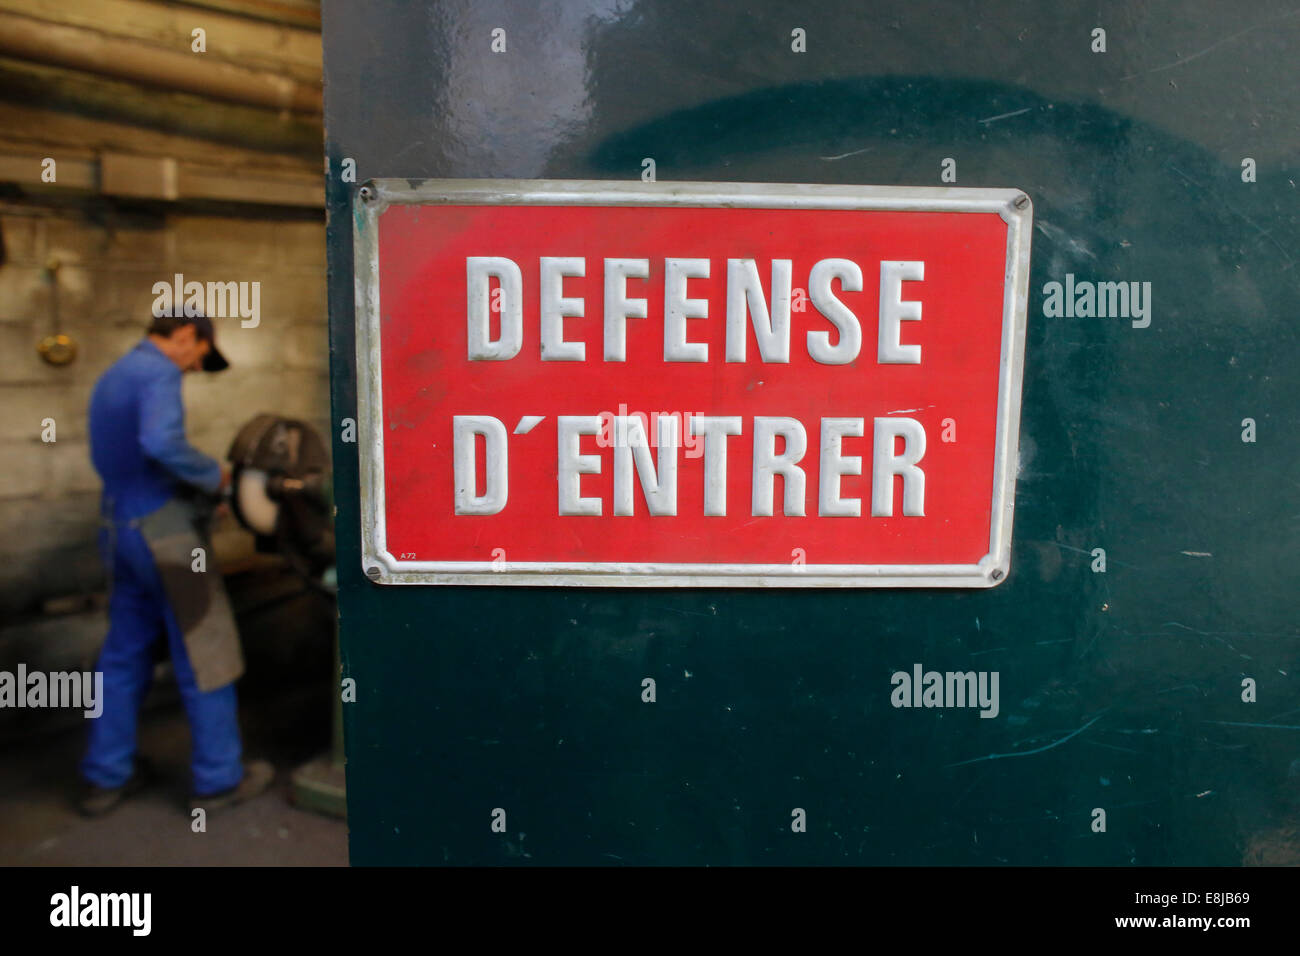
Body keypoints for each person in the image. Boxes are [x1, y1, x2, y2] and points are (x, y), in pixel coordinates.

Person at [79, 312, 272, 816]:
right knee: (204, 652)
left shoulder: (115, 374)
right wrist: (219, 479)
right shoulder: (158, 372)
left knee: (122, 656)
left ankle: (106, 776)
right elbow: (161, 443)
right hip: (165, 535)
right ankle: (218, 779)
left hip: (119, 528)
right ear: (188, 337)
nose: (190, 369)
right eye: (197, 358)